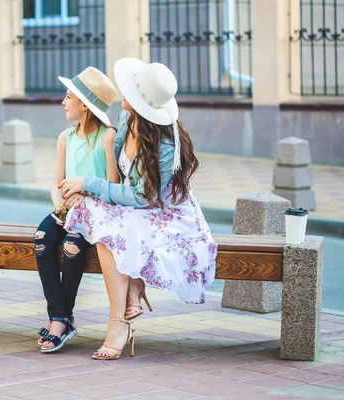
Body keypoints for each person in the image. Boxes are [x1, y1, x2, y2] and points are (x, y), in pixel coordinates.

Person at [60, 58, 218, 360]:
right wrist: (87, 189)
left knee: (109, 231)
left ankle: (118, 323)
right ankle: (130, 297)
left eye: (129, 90)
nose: (123, 93)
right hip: (137, 207)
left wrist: (88, 183)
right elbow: (119, 180)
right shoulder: (126, 119)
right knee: (104, 225)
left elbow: (143, 198)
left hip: (165, 214)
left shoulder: (165, 143)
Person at [34, 67, 120, 353]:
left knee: (72, 246)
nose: (64, 102)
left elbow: (113, 185)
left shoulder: (107, 137)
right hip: (66, 210)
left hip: (94, 214)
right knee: (41, 240)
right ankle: (60, 315)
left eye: (68, 96)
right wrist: (59, 207)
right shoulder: (65, 138)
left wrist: (85, 193)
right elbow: (56, 182)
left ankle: (59, 320)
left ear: (84, 104)